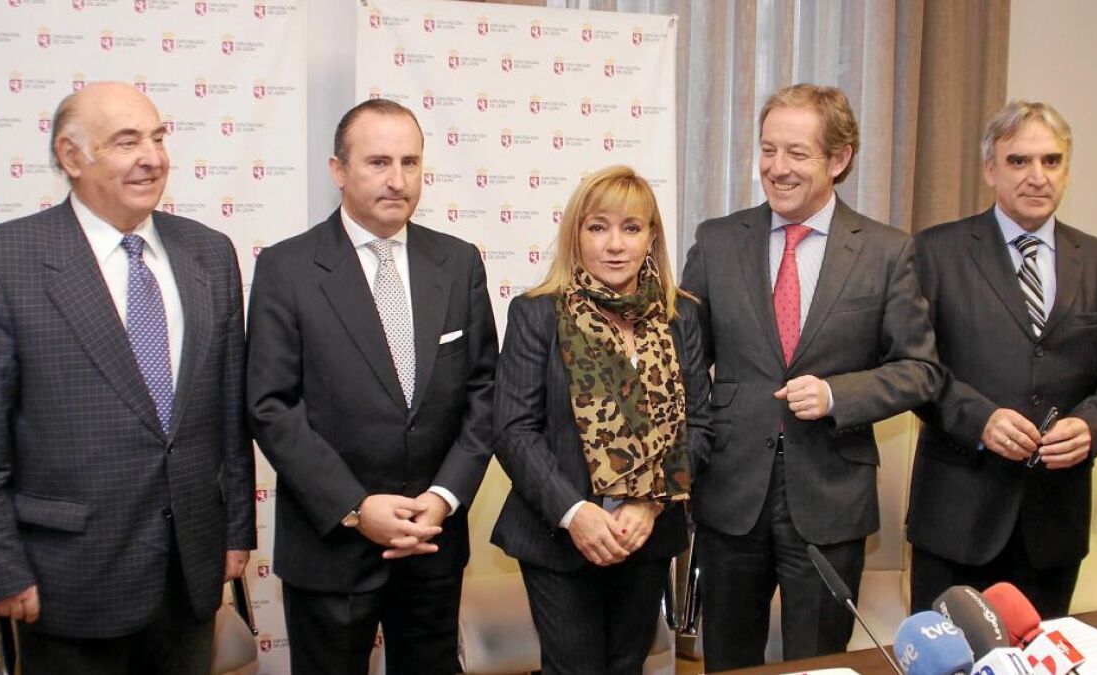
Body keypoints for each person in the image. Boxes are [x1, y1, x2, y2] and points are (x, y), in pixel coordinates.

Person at [0, 82, 254, 674]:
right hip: (65, 581)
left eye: (158, 138)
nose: (152, 158)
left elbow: (229, 415)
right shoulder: (1, 262)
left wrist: (236, 531)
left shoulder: (209, 253)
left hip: (189, 576)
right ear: (71, 156)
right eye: (127, 142)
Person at [681, 83, 940, 668]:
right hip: (730, 493)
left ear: (839, 158)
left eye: (797, 153)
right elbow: (684, 361)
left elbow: (920, 370)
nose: (777, 168)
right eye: (768, 150)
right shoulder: (717, 240)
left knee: (818, 663)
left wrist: (835, 393)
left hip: (830, 497)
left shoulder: (886, 251)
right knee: (729, 662)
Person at [245, 99, 497, 674]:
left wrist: (443, 498)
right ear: (338, 170)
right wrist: (357, 508)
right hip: (331, 550)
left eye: (410, 162)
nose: (397, 180)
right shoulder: (287, 268)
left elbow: (485, 392)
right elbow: (271, 407)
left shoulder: (458, 263)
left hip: (432, 545)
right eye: (378, 162)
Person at [907, 100, 1097, 618]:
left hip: (1054, 524)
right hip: (956, 517)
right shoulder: (935, 252)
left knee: (1042, 655)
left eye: (1051, 161)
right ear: (990, 169)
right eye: (1019, 161)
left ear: (1067, 170)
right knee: (949, 656)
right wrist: (979, 419)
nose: (1037, 176)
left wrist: (1092, 426)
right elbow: (914, 366)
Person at [491, 165, 710, 674]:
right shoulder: (537, 312)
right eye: (598, 227)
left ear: (651, 237)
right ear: (576, 234)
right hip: (558, 537)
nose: (615, 244)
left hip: (646, 535)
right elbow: (513, 430)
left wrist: (649, 503)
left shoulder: (679, 316)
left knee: (626, 667)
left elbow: (699, 426)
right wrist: (575, 513)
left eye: (631, 228)